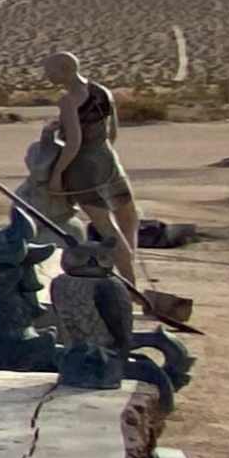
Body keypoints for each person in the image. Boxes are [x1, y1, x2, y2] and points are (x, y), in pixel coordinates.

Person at [31, 48, 140, 297]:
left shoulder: (69, 100)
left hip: (83, 168)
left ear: (65, 70)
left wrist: (58, 174)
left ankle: (130, 285)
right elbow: (112, 132)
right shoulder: (103, 91)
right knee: (128, 218)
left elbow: (74, 142)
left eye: (50, 71)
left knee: (107, 227)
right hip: (108, 158)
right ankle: (128, 269)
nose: (47, 76)